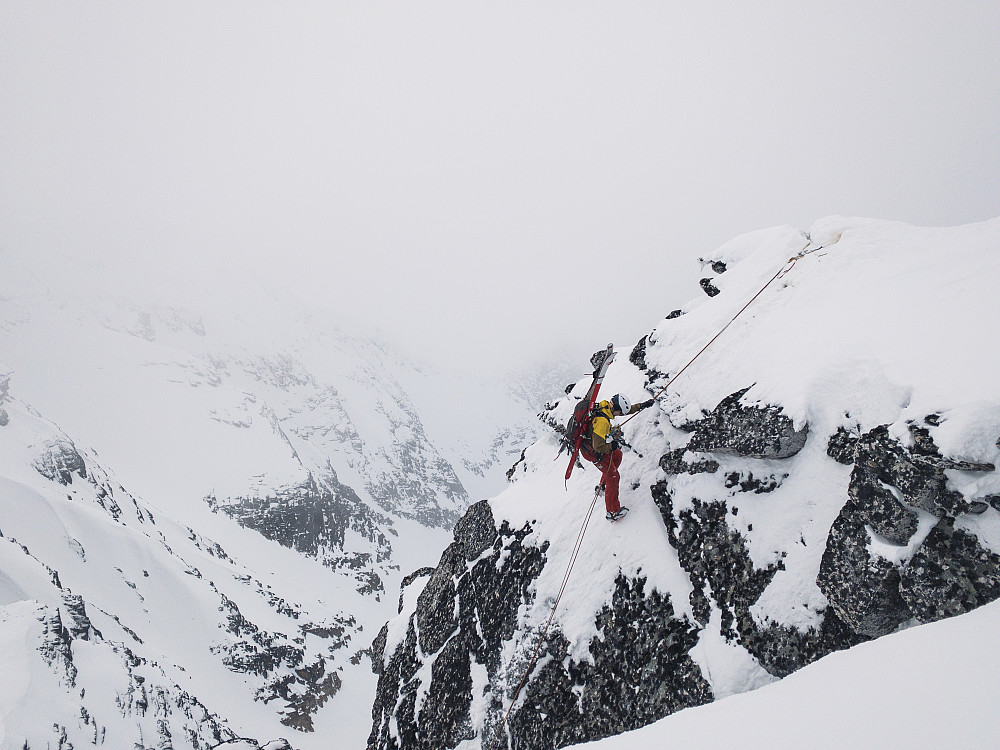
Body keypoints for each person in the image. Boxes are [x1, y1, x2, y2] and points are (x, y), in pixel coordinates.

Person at [580, 393, 654, 521]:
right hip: (592, 452)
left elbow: (624, 410)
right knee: (614, 476)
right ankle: (612, 512)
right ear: (616, 409)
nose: (620, 415)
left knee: (617, 455)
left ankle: (603, 487)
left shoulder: (605, 406)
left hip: (594, 443)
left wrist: (641, 406)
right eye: (620, 413)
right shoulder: (603, 422)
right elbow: (598, 447)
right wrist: (611, 447)